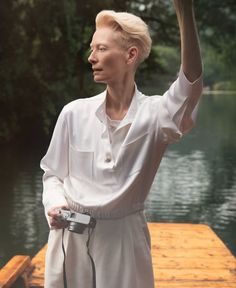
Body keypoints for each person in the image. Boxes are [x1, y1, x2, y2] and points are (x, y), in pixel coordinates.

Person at [40, 1, 203, 287]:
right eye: (92, 49)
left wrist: (184, 11)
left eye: (101, 49)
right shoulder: (73, 113)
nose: (91, 57)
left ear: (130, 55)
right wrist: (56, 204)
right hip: (70, 236)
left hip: (124, 239)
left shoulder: (156, 115)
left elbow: (190, 85)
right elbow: (52, 174)